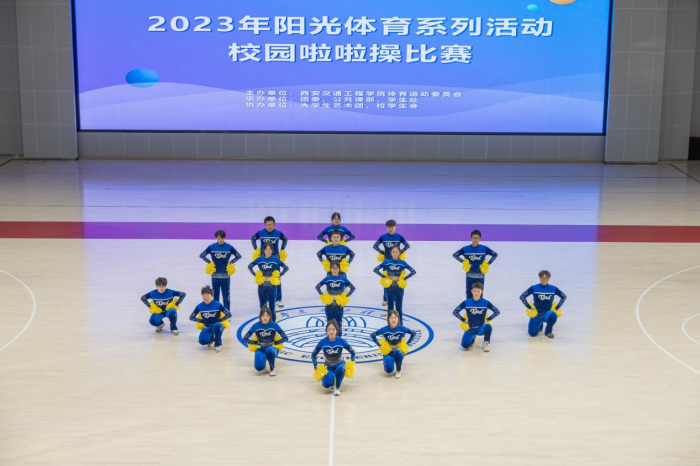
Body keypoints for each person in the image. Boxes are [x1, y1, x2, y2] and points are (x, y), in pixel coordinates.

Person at [311, 320, 356, 396]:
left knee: (340, 369)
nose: (331, 331)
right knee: (326, 384)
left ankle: (337, 388)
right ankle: (333, 379)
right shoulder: (322, 342)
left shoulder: (341, 341)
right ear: (326, 331)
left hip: (340, 363)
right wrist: (315, 366)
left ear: (336, 331)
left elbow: (353, 352)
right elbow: (313, 354)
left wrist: (352, 363)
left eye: (333, 329)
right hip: (328, 365)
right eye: (329, 329)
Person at [251, 216, 288, 309]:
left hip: (275, 259)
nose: (269, 226)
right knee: (263, 278)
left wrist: (282, 250)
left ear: (274, 224)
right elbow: (253, 238)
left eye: (271, 224)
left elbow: (285, 239)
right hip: (263, 259)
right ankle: (265, 300)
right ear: (265, 225)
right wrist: (256, 250)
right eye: (268, 225)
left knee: (277, 278)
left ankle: (278, 299)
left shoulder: (278, 233)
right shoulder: (261, 233)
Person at [199, 230, 241, 311]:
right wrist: (210, 263)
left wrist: (230, 263)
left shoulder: (229, 247)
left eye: (222, 238)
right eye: (218, 238)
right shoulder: (212, 247)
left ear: (224, 238)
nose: (220, 240)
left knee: (226, 296)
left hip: (226, 276)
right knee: (215, 296)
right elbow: (202, 255)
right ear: (216, 238)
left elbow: (238, 256)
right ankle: (216, 311)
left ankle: (227, 312)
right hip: (215, 276)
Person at [373, 246, 416, 323]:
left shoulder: (403, 263)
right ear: (391, 253)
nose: (395, 253)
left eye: (397, 252)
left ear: (399, 253)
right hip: (389, 287)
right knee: (390, 308)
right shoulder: (387, 262)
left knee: (399, 308)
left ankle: (400, 324)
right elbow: (375, 269)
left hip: (399, 287)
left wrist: (404, 278)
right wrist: (384, 277)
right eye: (393, 252)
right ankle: (390, 324)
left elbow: (413, 271)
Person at [452, 282, 500, 352]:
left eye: (478, 291)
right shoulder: (466, 302)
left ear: (481, 292)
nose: (476, 293)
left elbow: (497, 311)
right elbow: (455, 311)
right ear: (471, 291)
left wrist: (488, 319)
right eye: (474, 291)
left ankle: (486, 343)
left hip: (481, 328)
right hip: (470, 328)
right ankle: (472, 339)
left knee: (488, 326)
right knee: (465, 346)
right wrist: (464, 320)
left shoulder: (485, 302)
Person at [242, 305, 288, 376]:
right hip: (260, 348)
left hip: (272, 348)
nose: (265, 318)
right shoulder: (255, 326)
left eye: (267, 316)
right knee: (259, 367)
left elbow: (285, 338)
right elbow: (245, 339)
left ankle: (272, 368)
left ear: (270, 316)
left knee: (269, 350)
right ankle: (264, 358)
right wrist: (256, 343)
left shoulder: (274, 325)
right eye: (263, 316)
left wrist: (275, 342)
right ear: (260, 316)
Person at [519, 270, 567, 338]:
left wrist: (557, 307)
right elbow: (522, 297)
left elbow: (564, 297)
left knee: (553, 314)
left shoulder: (553, 288)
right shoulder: (534, 287)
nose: (544, 280)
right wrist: (529, 307)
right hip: (536, 314)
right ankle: (540, 324)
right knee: (532, 334)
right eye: (542, 278)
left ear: (549, 278)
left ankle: (548, 331)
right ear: (539, 278)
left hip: (547, 313)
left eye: (546, 278)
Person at [369, 310, 417, 378]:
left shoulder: (402, 328)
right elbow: (372, 335)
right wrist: (380, 345)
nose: (393, 320)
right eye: (391, 318)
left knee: (397, 352)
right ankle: (390, 361)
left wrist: (407, 344)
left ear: (398, 319)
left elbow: (413, 333)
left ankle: (398, 370)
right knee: (389, 370)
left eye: (395, 318)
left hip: (399, 351)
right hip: (388, 351)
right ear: (388, 319)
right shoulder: (384, 329)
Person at [248, 243, 289, 321]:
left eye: (270, 249)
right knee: (262, 307)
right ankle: (262, 323)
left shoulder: (275, 259)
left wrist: (277, 276)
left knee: (272, 307)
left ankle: (273, 323)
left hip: (272, 286)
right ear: (264, 250)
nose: (268, 251)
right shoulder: (259, 259)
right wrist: (257, 276)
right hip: (261, 286)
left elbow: (286, 268)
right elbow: (249, 266)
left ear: (272, 250)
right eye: (266, 249)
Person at [373, 219, 410, 307]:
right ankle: (385, 299)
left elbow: (407, 245)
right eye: (389, 227)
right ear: (387, 227)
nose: (390, 229)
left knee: (396, 279)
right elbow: (375, 246)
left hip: (397, 262)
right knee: (386, 279)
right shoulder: (383, 237)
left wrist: (400, 252)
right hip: (386, 262)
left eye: (392, 227)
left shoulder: (399, 237)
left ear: (395, 227)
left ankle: (394, 298)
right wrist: (383, 253)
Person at [453, 229, 498, 299]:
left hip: (480, 277)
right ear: (471, 238)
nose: (475, 240)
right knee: (469, 297)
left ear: (480, 239)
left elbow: (495, 254)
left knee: (479, 297)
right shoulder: (466, 249)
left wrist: (487, 264)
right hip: (469, 276)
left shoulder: (484, 248)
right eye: (474, 238)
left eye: (477, 238)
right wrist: (464, 262)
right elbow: (455, 255)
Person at [316, 262, 356, 337]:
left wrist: (345, 297)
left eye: (336, 268)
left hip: (339, 305)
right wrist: (324, 296)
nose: (335, 269)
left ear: (339, 269)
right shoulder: (327, 278)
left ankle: (339, 338)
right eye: (333, 268)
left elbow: (353, 288)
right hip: (329, 305)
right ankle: (329, 338)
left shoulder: (343, 279)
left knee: (339, 322)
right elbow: (317, 287)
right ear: (330, 269)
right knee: (329, 322)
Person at [189, 285, 231, 353]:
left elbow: (229, 314)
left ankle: (218, 343)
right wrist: (201, 321)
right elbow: (191, 317)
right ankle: (211, 339)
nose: (206, 298)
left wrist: (220, 320)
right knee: (202, 341)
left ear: (211, 296)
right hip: (207, 326)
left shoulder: (217, 304)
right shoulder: (199, 306)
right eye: (204, 296)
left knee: (217, 326)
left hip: (217, 325)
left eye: (207, 296)